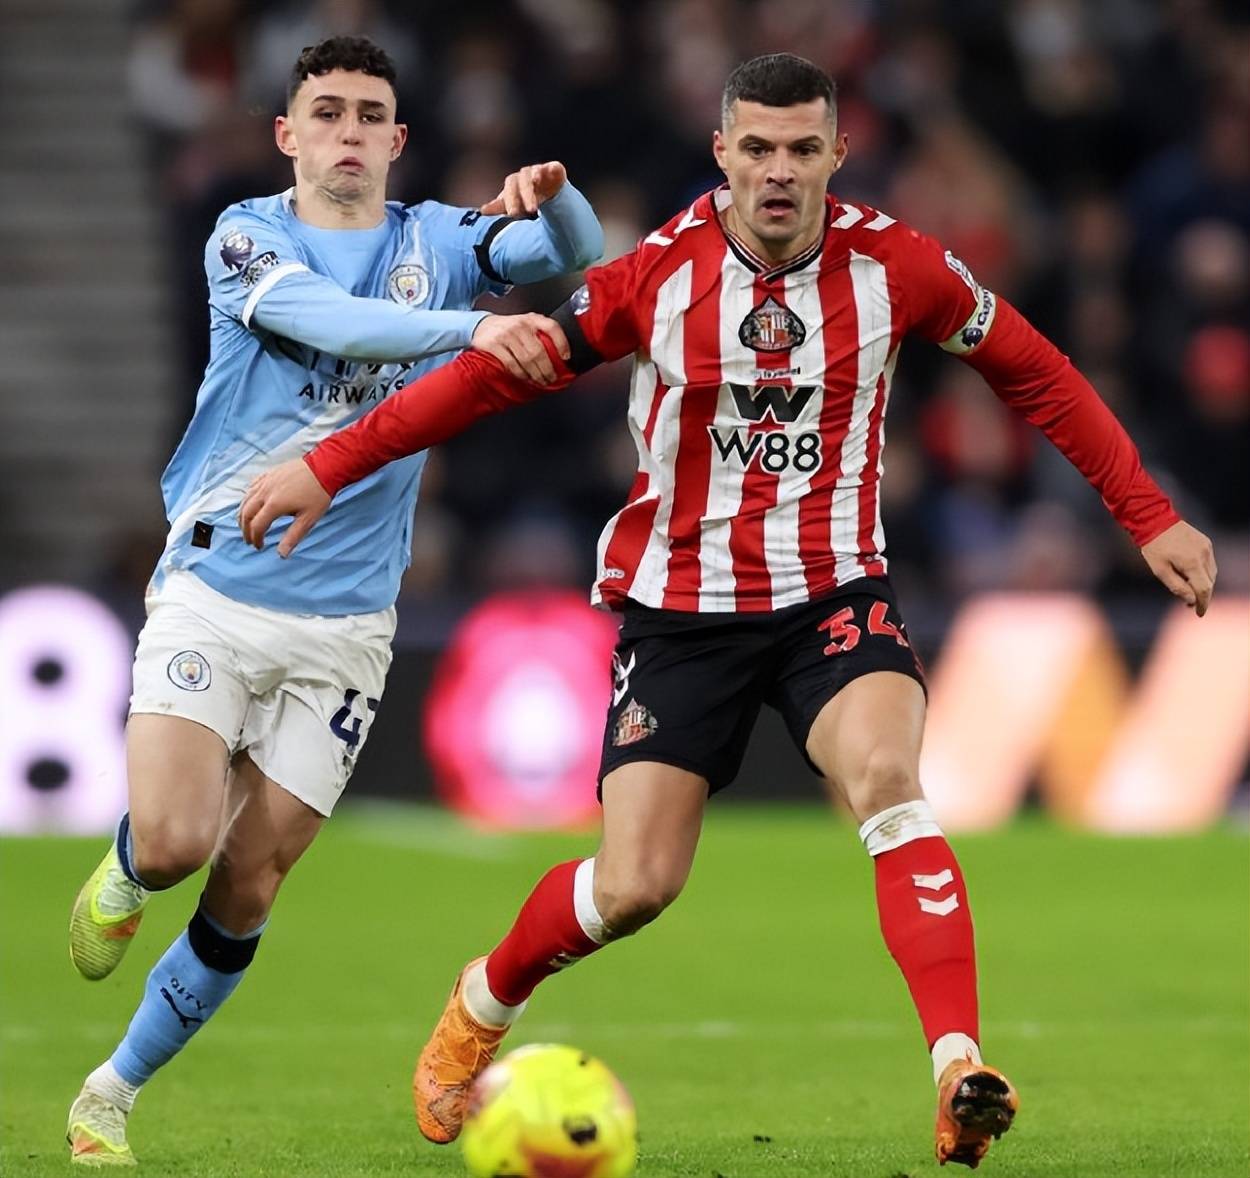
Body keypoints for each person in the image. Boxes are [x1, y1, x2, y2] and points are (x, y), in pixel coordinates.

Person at [239, 53, 1218, 1170]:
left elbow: (1033, 368)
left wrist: (1146, 514)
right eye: (756, 147)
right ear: (721, 153)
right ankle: (482, 998)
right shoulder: (655, 275)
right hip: (680, 613)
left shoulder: (898, 266)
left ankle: (958, 1069)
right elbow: (490, 378)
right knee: (633, 885)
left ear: (838, 153)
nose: (778, 170)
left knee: (889, 783)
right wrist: (330, 466)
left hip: (833, 595)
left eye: (801, 148)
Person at [65, 35, 603, 1167]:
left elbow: (573, 252)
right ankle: (126, 863)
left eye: (368, 115)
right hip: (218, 585)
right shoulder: (244, 234)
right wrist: (471, 329)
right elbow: (325, 320)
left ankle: (110, 1092)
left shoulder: (438, 239)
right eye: (326, 112)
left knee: (249, 882)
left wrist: (554, 198)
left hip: (349, 626)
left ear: (398, 140)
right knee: (176, 842)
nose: (347, 131)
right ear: (288, 134)